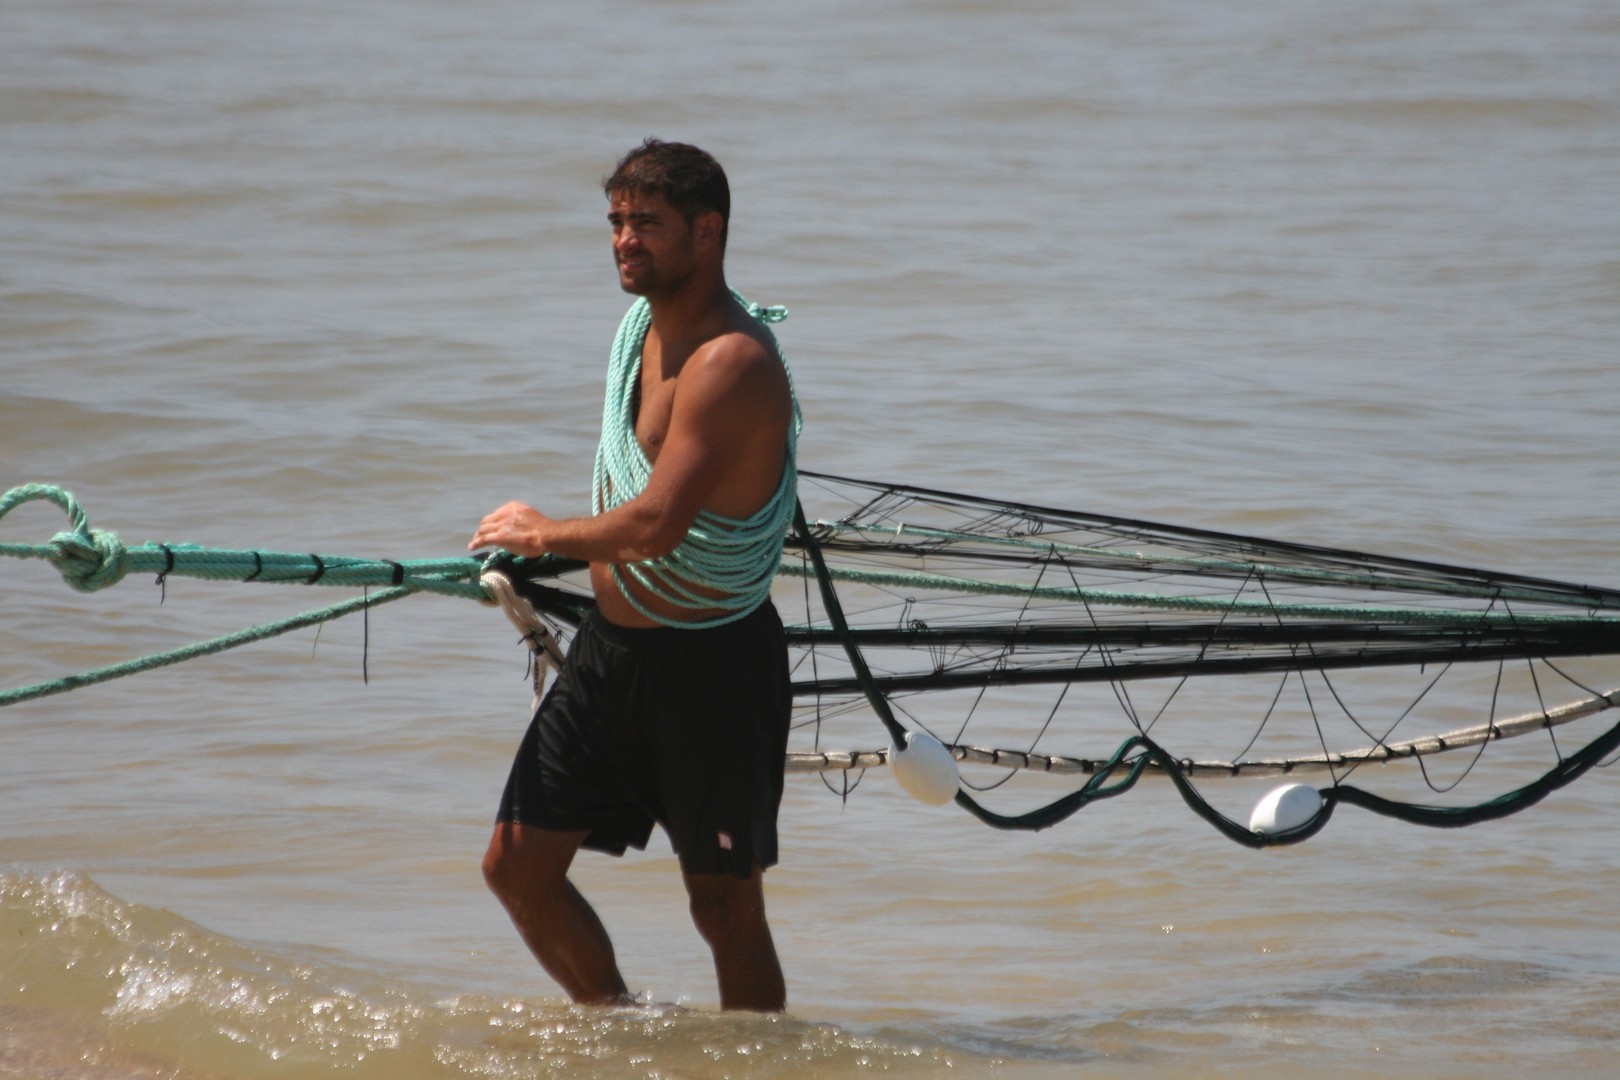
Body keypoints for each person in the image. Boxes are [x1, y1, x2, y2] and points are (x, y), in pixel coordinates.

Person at [470, 139, 797, 1012]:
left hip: (715, 668)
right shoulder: (640, 332)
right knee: (515, 866)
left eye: (645, 224)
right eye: (615, 222)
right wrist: (537, 549)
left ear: (708, 230)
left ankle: (754, 1075)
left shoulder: (734, 360)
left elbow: (656, 525)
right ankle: (616, 1032)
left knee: (723, 907)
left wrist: (545, 536)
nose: (623, 240)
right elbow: (632, 504)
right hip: (612, 655)